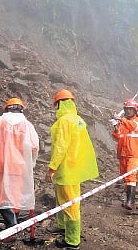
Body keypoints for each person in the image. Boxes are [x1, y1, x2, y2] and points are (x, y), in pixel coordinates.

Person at [45, 89, 99, 249]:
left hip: (66, 169)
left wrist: (52, 168)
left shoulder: (64, 121)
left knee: (70, 204)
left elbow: (61, 146)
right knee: (63, 199)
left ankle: (72, 240)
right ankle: (62, 225)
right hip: (75, 168)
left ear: (60, 104)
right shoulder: (79, 120)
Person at [0, 97, 39, 242]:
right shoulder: (26, 124)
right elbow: (34, 146)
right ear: (21, 109)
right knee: (15, 197)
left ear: (7, 108)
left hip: (0, 165)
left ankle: (11, 224)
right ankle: (11, 229)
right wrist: (31, 164)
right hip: (18, 167)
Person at [112, 99, 138, 210]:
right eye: (127, 109)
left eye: (131, 109)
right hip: (123, 153)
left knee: (131, 176)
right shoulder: (123, 122)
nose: (128, 111)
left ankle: (130, 202)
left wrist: (120, 119)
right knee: (125, 177)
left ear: (135, 110)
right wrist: (116, 128)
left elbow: (132, 126)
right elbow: (118, 137)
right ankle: (129, 200)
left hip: (133, 153)